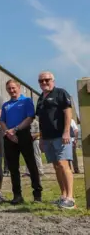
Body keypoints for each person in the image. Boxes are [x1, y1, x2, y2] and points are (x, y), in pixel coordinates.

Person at [36, 71, 75, 209]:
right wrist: (40, 138)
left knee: (64, 164)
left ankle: (70, 198)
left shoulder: (60, 93)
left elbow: (67, 112)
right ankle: (63, 196)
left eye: (47, 80)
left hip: (61, 136)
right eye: (41, 81)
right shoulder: (40, 98)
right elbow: (40, 119)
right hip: (47, 137)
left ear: (53, 80)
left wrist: (66, 132)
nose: (44, 83)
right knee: (56, 166)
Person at [0, 79, 42, 204]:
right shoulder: (5, 105)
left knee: (31, 165)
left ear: (18, 88)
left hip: (23, 134)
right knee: (13, 167)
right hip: (9, 137)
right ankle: (17, 195)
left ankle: (37, 195)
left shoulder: (26, 101)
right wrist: (8, 132)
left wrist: (16, 129)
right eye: (9, 89)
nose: (11, 90)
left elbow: (30, 118)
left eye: (13, 88)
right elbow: (2, 121)